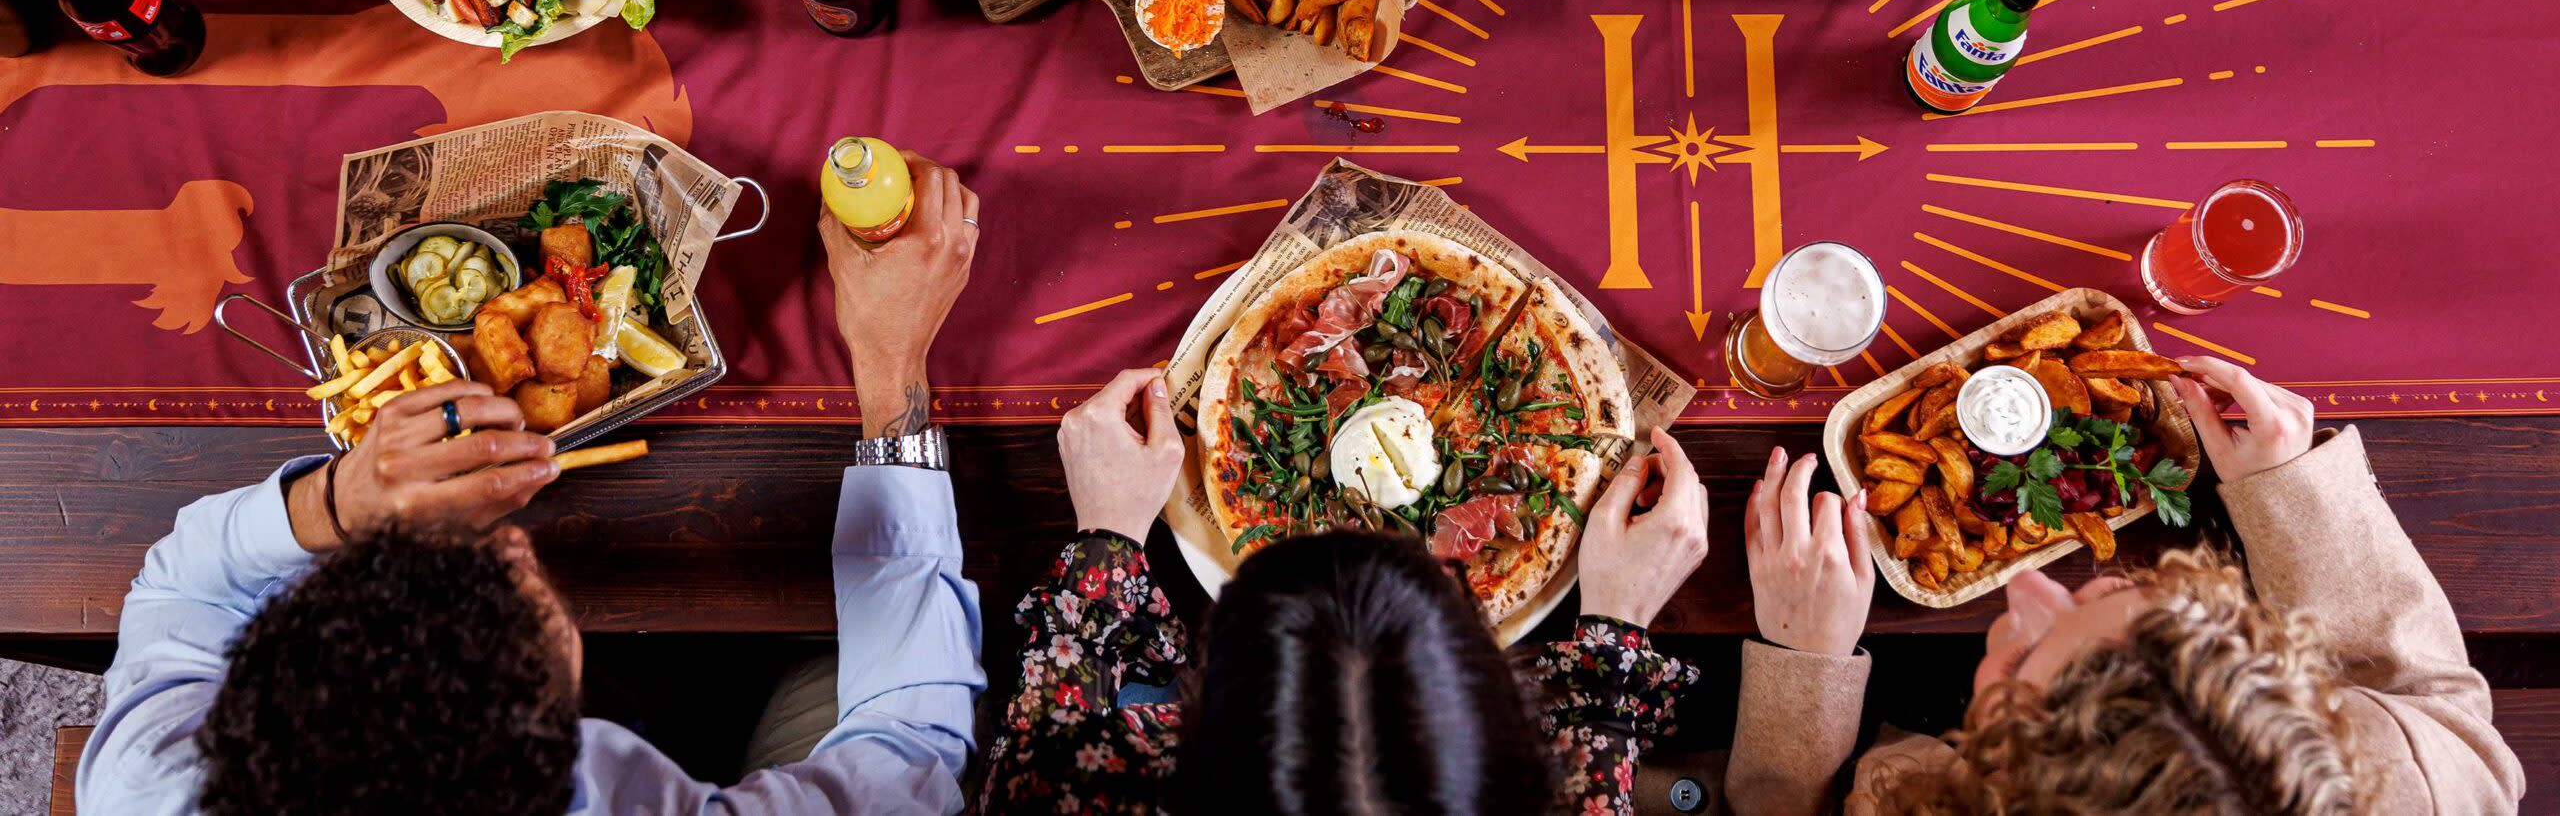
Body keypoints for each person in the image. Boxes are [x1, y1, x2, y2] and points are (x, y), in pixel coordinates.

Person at [77, 153, 987, 816]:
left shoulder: (146, 783)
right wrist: (889, 361)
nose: (511, 540)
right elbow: (912, 752)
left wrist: (341, 499)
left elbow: (183, 589)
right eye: (518, 595)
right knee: (835, 659)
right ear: (563, 754)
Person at [1725, 358, 2526, 815]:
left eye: (2024, 661)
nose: (2026, 589)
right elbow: (2429, 700)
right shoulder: (2416, 793)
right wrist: (2292, 495)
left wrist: (1804, 663)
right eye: (2115, 593)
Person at [977, 369, 1709, 814]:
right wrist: (1619, 618)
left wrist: (1107, 529)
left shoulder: (1057, 792)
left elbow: (1050, 730)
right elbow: (1597, 762)